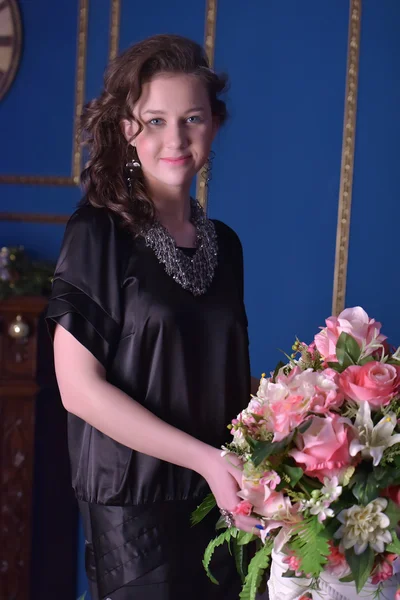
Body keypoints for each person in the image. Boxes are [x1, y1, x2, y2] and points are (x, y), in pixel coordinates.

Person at [46, 34, 261, 600]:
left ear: (214, 124)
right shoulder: (97, 233)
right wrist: (208, 462)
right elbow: (78, 391)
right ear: (127, 130)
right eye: (156, 120)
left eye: (192, 118)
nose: (176, 138)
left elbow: (218, 379)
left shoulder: (227, 246)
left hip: (221, 500)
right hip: (135, 515)